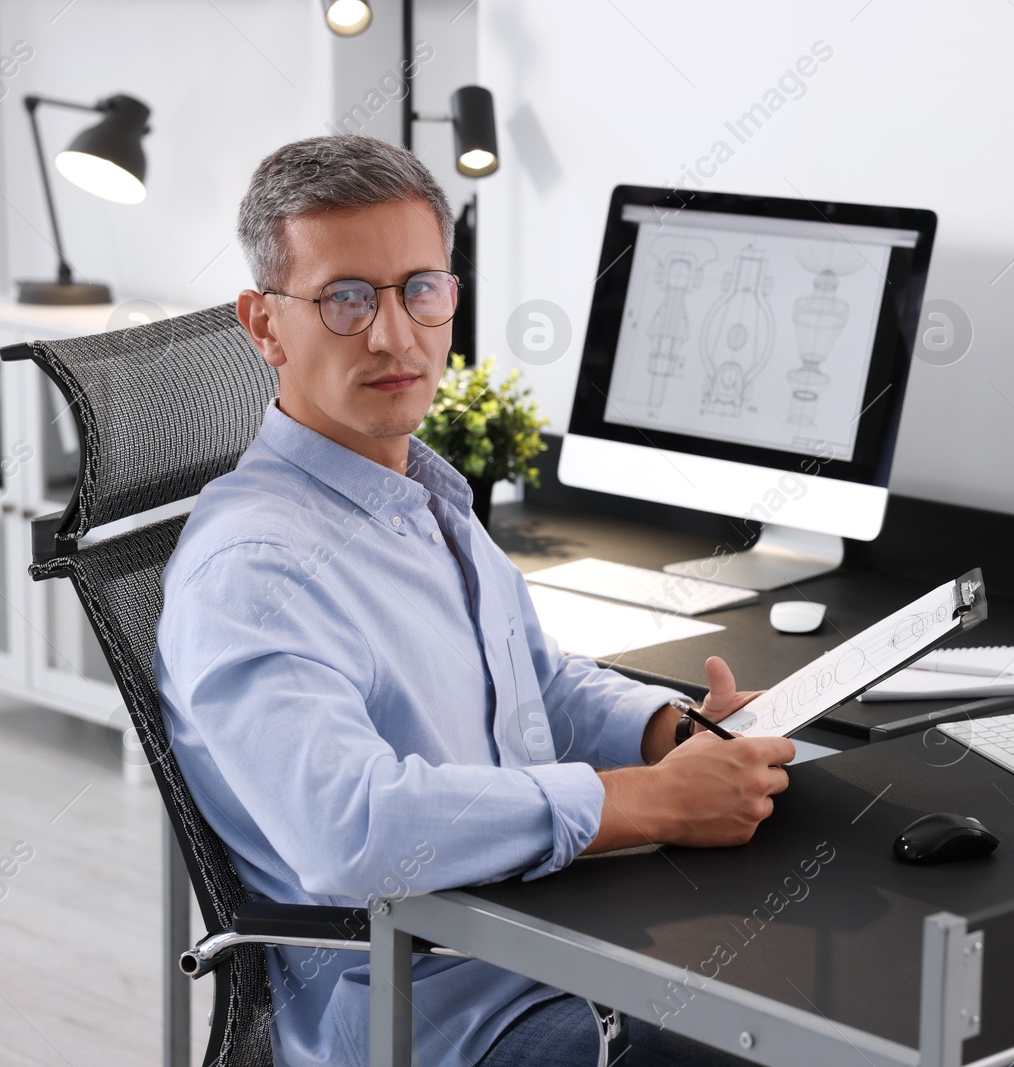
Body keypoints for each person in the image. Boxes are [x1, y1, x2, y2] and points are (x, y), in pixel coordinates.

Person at [154, 133, 794, 1067]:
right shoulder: (253, 571)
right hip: (438, 1016)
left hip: (545, 947)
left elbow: (532, 681)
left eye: (420, 287)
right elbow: (355, 829)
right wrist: (648, 803)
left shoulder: (423, 497)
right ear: (263, 325)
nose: (393, 334)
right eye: (344, 298)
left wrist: (667, 732)